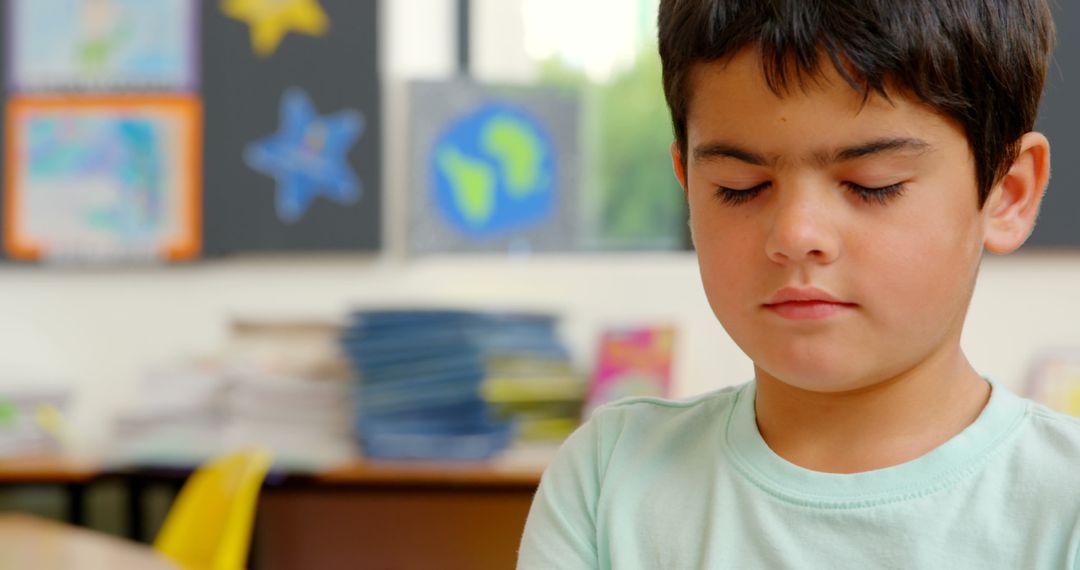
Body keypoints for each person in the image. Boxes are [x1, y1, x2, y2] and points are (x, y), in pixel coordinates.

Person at [517, 0, 1080, 568]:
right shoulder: (608, 479)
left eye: (871, 185)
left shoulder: (1064, 503)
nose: (794, 234)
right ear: (687, 184)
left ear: (1007, 193)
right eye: (741, 187)